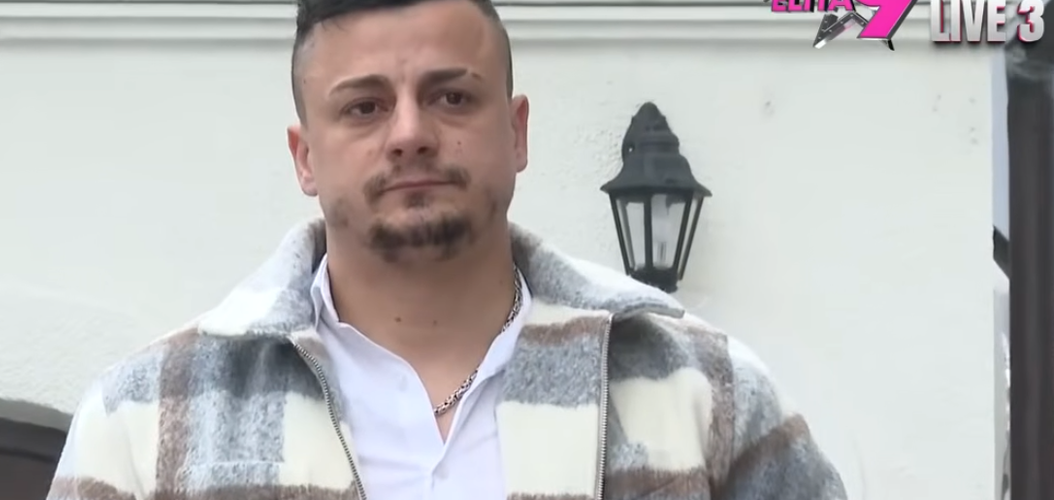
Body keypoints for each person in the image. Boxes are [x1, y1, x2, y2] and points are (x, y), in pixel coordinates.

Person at [45, 0, 848, 497]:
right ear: (304, 156)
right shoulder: (145, 419)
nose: (410, 133)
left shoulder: (702, 391)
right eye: (363, 107)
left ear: (516, 131)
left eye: (451, 96)